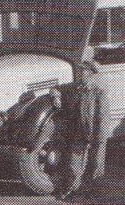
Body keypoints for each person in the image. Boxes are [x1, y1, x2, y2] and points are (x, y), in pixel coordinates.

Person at [56, 64, 112, 201]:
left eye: (85, 72)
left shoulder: (99, 93)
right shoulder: (77, 88)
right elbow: (57, 88)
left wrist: (100, 138)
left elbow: (103, 118)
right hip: (79, 133)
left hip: (96, 134)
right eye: (81, 72)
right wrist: (56, 95)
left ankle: (93, 193)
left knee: (96, 164)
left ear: (92, 74)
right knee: (74, 165)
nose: (82, 74)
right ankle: (72, 189)